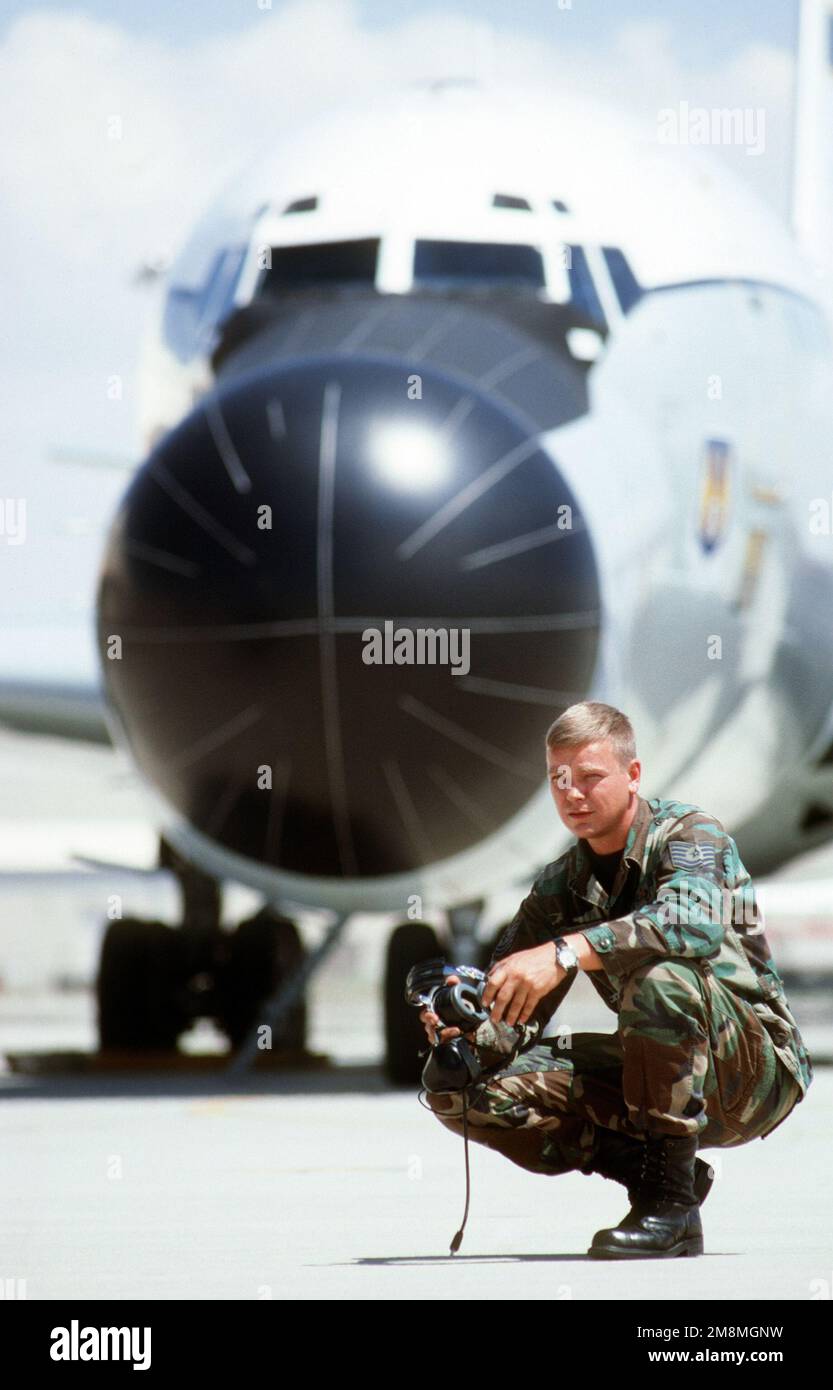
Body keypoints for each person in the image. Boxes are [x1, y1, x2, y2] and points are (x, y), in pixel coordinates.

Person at [420, 701, 812, 1259]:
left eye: (590, 777)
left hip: (750, 1074)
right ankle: (659, 1181)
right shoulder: (560, 886)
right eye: (558, 779)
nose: (572, 794)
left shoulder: (689, 835)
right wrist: (461, 1039)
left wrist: (564, 953)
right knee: (462, 1092)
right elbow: (509, 1017)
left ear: (632, 776)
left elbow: (690, 925)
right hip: (659, 1078)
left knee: (660, 978)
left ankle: (670, 1211)